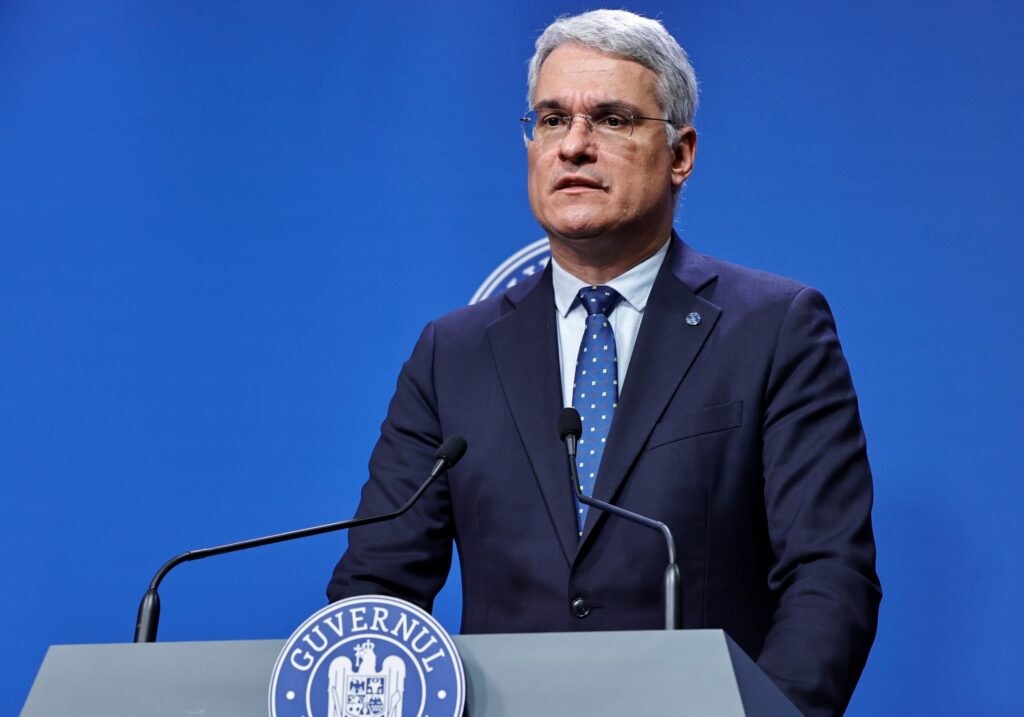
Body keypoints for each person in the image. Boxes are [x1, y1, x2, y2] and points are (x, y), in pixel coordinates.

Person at [328, 9, 880, 717]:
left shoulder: (774, 329)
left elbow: (828, 575)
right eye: (552, 119)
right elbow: (377, 590)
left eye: (612, 120)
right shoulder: (453, 353)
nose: (574, 147)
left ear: (680, 153)